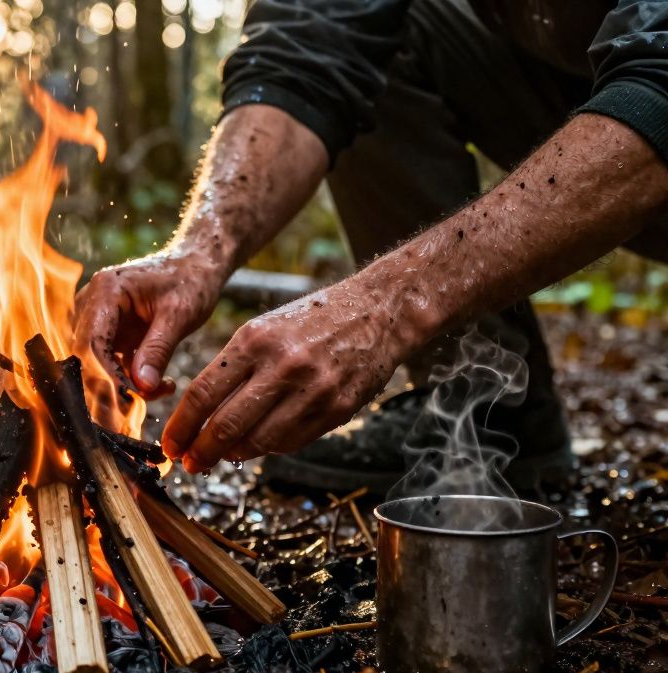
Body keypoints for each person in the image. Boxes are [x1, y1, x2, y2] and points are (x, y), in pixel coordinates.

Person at [73, 0, 668, 492]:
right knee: (394, 39)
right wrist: (199, 250)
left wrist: (386, 306)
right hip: (580, 85)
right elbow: (306, 47)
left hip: (647, 120)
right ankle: (487, 412)